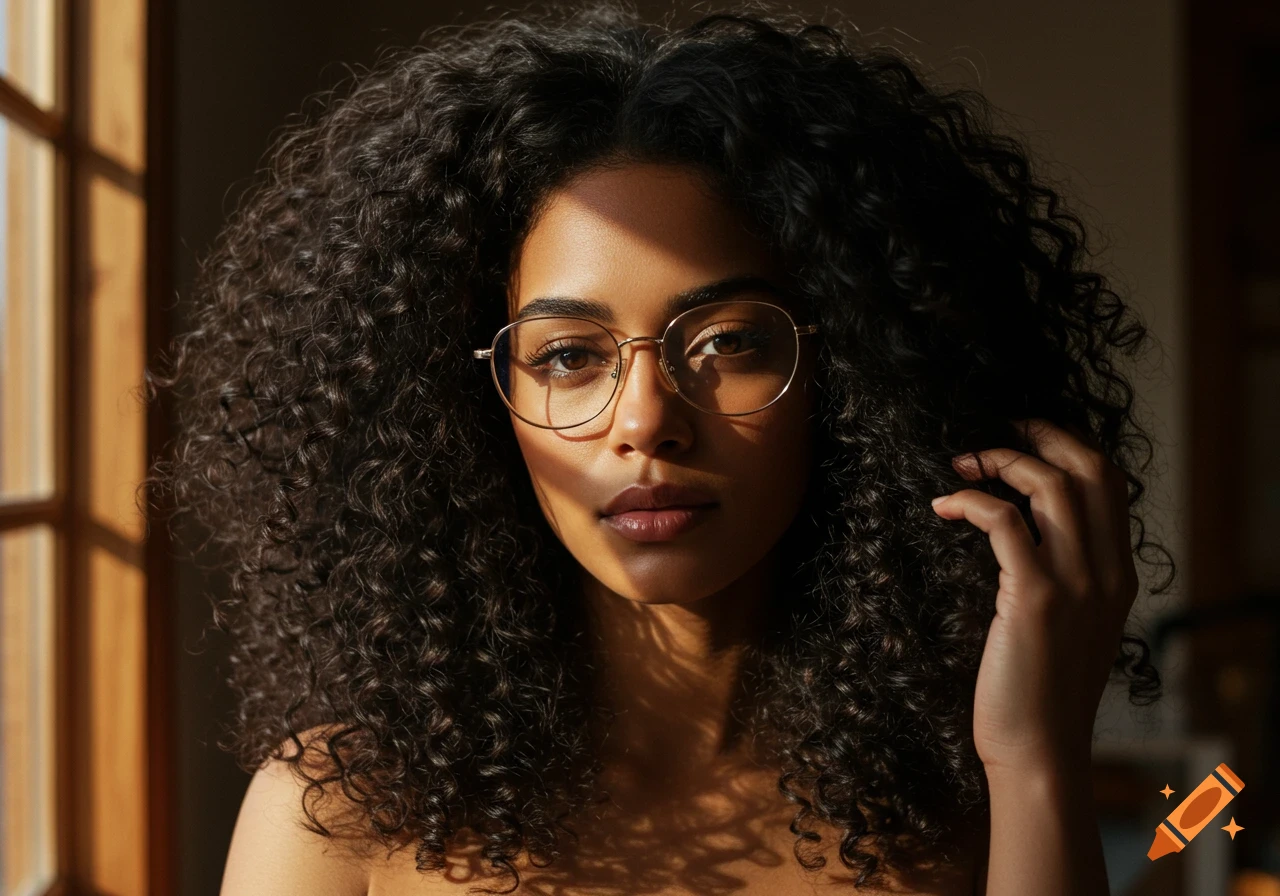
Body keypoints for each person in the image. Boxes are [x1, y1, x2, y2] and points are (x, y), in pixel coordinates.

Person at [147, 2, 1173, 893]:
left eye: (725, 341)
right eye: (566, 357)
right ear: (474, 405)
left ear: (854, 374)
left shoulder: (963, 792)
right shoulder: (340, 808)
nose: (644, 418)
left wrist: (1035, 757)